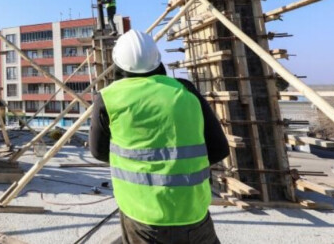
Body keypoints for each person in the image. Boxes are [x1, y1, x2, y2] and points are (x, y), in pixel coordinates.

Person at [89, 29, 229, 244]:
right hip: (192, 211)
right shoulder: (186, 91)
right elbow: (219, 149)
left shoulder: (109, 98)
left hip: (141, 215)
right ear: (158, 61)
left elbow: (98, 152)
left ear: (117, 64)